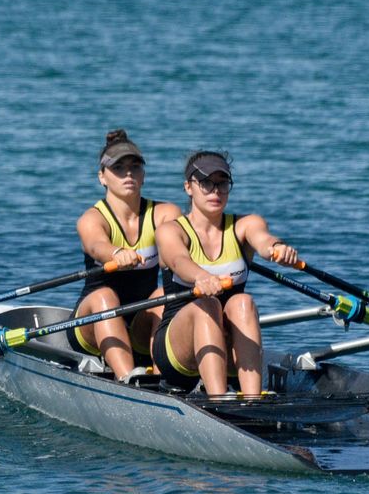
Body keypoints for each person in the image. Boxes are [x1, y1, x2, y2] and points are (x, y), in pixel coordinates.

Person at [151, 151, 299, 399]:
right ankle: (218, 400)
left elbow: (262, 240)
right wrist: (200, 276)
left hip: (227, 350)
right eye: (206, 183)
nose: (215, 191)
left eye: (222, 183)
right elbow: (178, 260)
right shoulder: (170, 230)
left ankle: (253, 400)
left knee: (243, 302)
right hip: (177, 352)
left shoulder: (245, 224)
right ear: (189, 187)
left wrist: (276, 248)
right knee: (207, 304)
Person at [71, 130, 180, 381]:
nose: (128, 174)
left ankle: (164, 381)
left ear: (144, 174)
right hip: (92, 325)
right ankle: (128, 379)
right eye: (118, 168)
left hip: (142, 323)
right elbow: (96, 245)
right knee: (105, 296)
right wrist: (117, 253)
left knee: (165, 295)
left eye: (135, 167)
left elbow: (181, 247)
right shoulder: (92, 218)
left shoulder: (165, 213)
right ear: (102, 177)